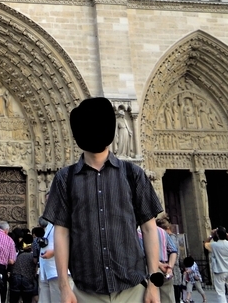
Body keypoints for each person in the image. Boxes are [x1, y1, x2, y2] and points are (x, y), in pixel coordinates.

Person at [43, 97, 163, 303]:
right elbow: (61, 233)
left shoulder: (133, 174)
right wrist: (64, 287)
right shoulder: (65, 178)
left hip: (132, 290)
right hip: (85, 292)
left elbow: (150, 229)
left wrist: (153, 284)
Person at [205, 227, 228, 303]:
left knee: (221, 293)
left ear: (217, 235)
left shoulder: (214, 245)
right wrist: (224, 233)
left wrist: (211, 235)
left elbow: (205, 243)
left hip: (219, 270)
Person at [155, 217, 178, 303]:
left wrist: (158, 264)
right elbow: (173, 250)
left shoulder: (139, 232)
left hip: (151, 267)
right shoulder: (162, 232)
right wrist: (170, 267)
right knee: (168, 298)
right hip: (166, 269)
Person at [0, 221, 17, 303]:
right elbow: (11, 261)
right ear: (6, 230)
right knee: (1, 291)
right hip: (1, 268)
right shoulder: (10, 240)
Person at [10, 236, 37, 303]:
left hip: (15, 278)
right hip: (27, 279)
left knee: (14, 299)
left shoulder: (19, 255)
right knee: (27, 300)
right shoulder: (32, 257)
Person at [38, 218, 58, 303]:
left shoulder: (61, 224)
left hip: (57, 271)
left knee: (58, 299)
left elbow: (70, 244)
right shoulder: (49, 226)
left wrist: (54, 252)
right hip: (46, 272)